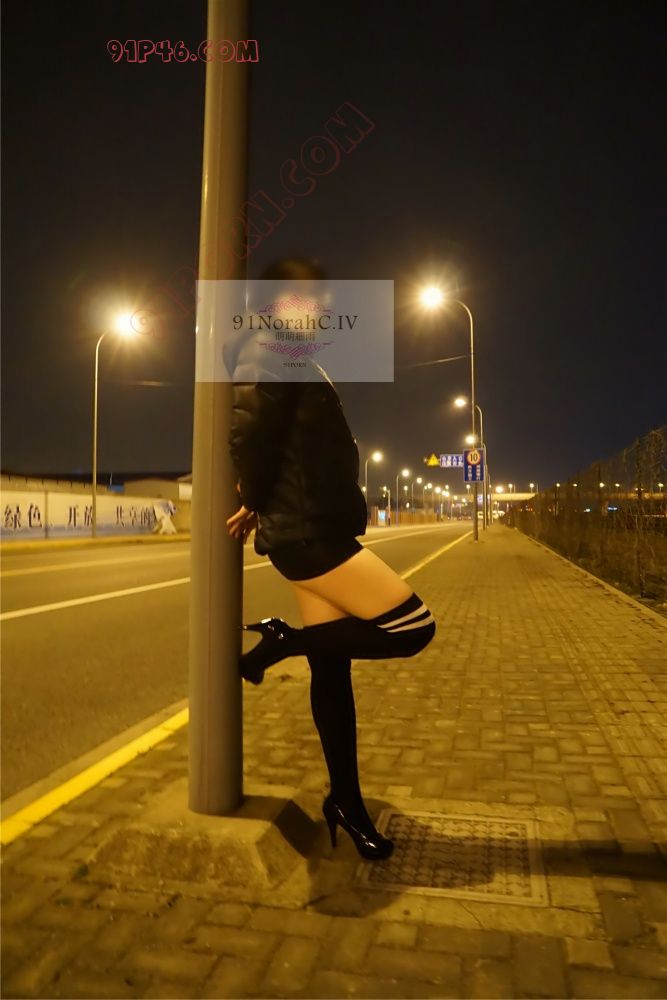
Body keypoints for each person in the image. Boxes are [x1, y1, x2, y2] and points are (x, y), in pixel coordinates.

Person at [226, 257, 436, 861]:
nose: (320, 307)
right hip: (308, 533)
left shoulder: (290, 355)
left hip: (313, 524)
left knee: (333, 672)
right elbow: (250, 434)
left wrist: (261, 499)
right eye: (307, 297)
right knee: (413, 626)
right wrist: (254, 498)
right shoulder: (265, 352)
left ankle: (345, 801)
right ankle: (282, 640)